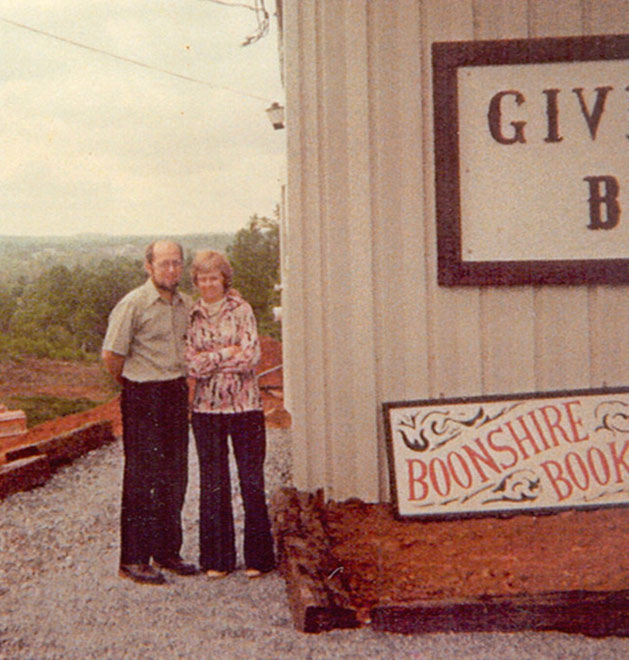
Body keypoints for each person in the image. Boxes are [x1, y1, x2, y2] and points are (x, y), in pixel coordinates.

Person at [102, 239, 198, 585]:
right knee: (142, 477)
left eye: (177, 263)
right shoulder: (134, 304)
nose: (171, 270)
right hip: (142, 394)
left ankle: (167, 551)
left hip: (174, 393)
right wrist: (132, 385)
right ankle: (134, 559)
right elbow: (111, 356)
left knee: (174, 476)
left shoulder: (186, 305)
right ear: (149, 266)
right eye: (164, 264)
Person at [185, 250, 275, 579]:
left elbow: (250, 357)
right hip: (206, 410)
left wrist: (211, 358)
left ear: (225, 279)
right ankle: (217, 560)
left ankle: (259, 558)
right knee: (213, 482)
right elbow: (190, 364)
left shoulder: (242, 310)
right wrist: (226, 352)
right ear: (196, 281)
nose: (209, 283)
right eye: (203, 278)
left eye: (214, 277)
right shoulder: (190, 314)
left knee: (251, 480)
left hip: (245, 407)